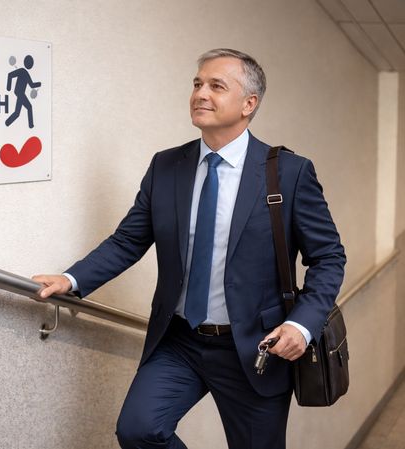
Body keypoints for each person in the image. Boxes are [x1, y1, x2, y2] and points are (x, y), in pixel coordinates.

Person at [33, 48, 346, 449]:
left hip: (256, 347)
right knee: (139, 430)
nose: (201, 93)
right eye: (197, 83)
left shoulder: (288, 172)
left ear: (249, 104)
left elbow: (328, 257)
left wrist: (301, 325)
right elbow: (128, 240)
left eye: (217, 86)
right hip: (180, 340)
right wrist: (71, 278)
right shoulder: (167, 166)